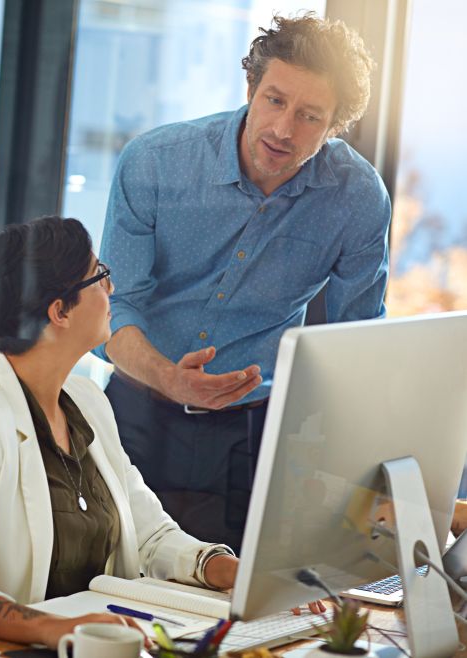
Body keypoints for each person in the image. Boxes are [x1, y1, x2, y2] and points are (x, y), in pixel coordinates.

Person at [98, 13, 390, 552]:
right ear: (251, 88)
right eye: (274, 100)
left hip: (251, 434)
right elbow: (113, 308)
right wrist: (169, 377)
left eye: (309, 116)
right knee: (108, 567)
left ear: (334, 126)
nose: (283, 130)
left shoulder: (357, 199)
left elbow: (358, 340)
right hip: (135, 411)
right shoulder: (155, 163)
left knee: (226, 586)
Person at [0, 216, 241, 648]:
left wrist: (230, 571)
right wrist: (49, 627)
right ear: (59, 311)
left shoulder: (88, 401)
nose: (111, 288)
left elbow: (151, 535)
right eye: (100, 277)